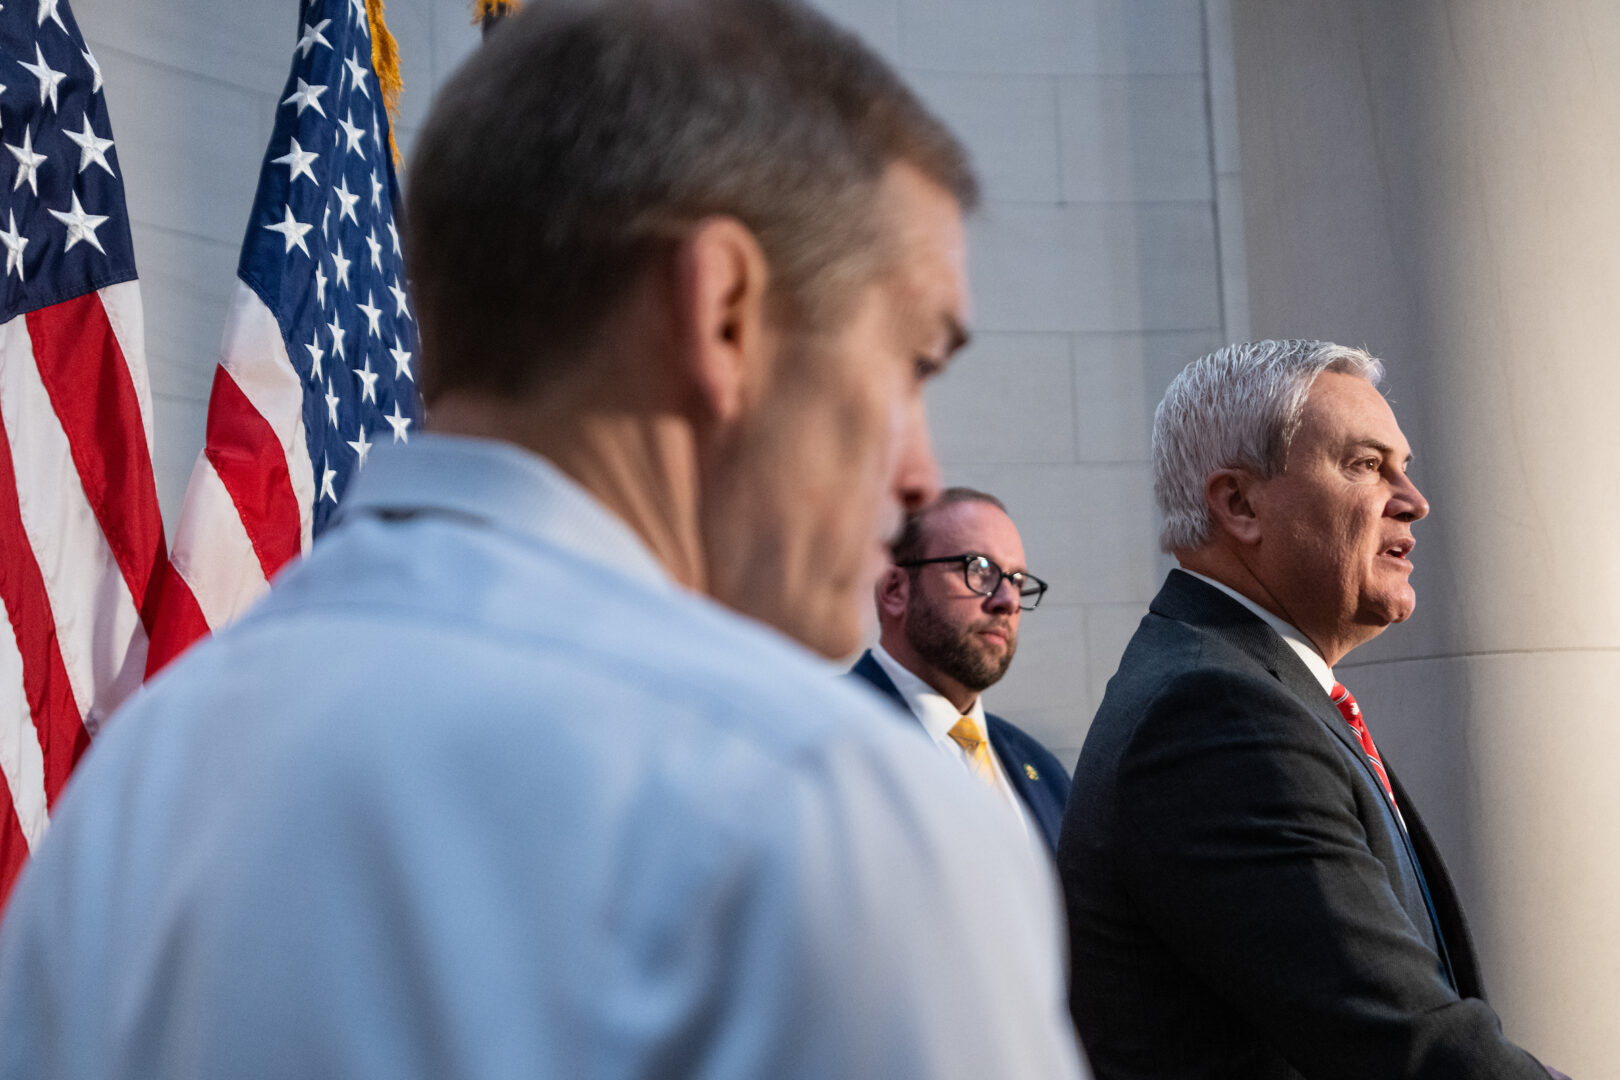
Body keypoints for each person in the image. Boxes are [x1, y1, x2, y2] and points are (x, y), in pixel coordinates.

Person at [0, 3, 1088, 1078]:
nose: (917, 474)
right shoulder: (835, 818)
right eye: (910, 363)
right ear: (723, 314)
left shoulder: (128, 790)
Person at [1058, 339, 1566, 1079]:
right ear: (1238, 503)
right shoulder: (1215, 715)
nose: (1413, 501)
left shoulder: (1255, 689)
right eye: (1365, 465)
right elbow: (1406, 1046)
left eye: (1404, 468)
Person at [850, 488, 1070, 854]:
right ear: (894, 589)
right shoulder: (826, 743)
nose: (1008, 601)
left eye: (1017, 581)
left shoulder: (1043, 769)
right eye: (979, 569)